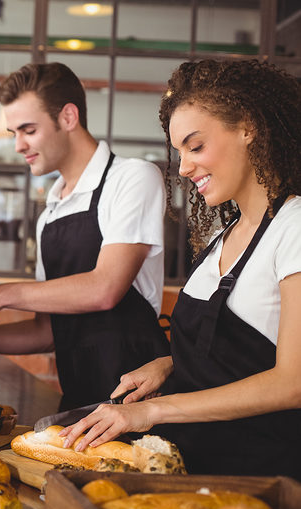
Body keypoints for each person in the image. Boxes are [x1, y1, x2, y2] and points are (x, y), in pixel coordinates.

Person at [58, 59, 301, 479]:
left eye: (195, 146)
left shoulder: (294, 226)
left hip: (261, 482)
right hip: (194, 471)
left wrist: (155, 410)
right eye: (180, 152)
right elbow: (237, 352)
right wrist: (171, 365)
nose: (184, 168)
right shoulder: (222, 237)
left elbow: (291, 382)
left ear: (248, 127)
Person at [0, 63, 170, 411]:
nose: (18, 145)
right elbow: (47, 332)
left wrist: (2, 294)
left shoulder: (133, 178)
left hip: (138, 404)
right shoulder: (51, 211)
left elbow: (105, 289)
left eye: (28, 130)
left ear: (67, 117)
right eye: (13, 131)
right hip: (78, 403)